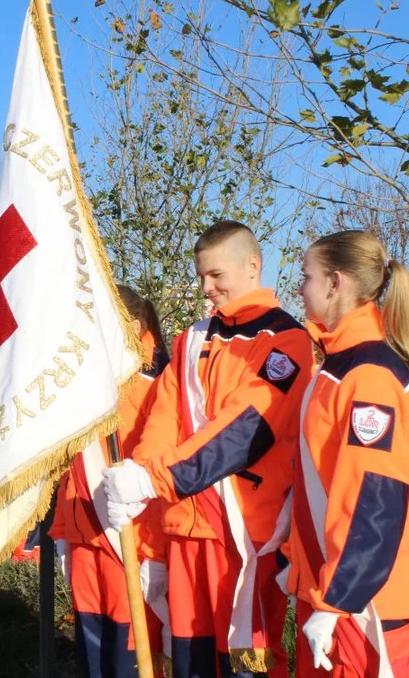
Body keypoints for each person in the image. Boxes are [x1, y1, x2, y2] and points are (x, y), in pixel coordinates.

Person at [103, 220, 314, 677]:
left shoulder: (288, 341)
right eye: (201, 276)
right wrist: (142, 500)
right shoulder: (191, 339)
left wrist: (151, 479)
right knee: (189, 658)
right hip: (182, 525)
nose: (206, 287)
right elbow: (162, 422)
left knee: (247, 664)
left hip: (247, 537)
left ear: (252, 266)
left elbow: (241, 432)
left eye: (217, 275)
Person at [288, 230, 409, 677]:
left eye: (306, 275)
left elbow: (374, 498)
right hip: (337, 586)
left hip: (364, 600)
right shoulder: (342, 365)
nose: (300, 287)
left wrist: (337, 602)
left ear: (335, 284)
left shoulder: (367, 374)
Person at [51, 286, 171, 675]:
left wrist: (157, 554)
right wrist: (64, 530)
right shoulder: (84, 387)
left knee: (128, 655)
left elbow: (158, 472)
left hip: (129, 541)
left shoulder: (157, 388)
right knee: (93, 652)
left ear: (132, 327)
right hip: (84, 535)